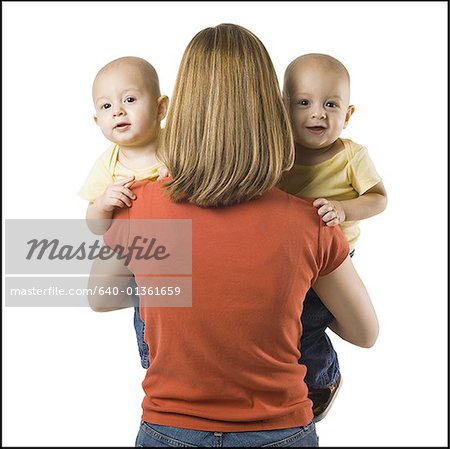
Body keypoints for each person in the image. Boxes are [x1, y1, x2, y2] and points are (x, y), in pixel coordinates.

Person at [88, 24, 379, 447]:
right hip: (281, 431)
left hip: (169, 429)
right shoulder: (312, 222)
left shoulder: (137, 206)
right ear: (274, 111)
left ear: (178, 108)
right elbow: (364, 334)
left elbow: (101, 298)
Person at [280, 53, 387, 421]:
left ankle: (323, 378)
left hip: (331, 262)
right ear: (283, 107)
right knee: (284, 324)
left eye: (330, 104)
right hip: (287, 259)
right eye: (304, 103)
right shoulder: (278, 151)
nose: (318, 114)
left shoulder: (351, 156)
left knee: (307, 322)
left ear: (349, 114)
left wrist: (344, 209)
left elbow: (378, 198)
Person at [79, 56, 169, 369]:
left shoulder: (177, 147)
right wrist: (104, 202)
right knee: (146, 303)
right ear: (97, 121)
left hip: (175, 246)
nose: (117, 110)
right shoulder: (109, 163)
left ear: (161, 109)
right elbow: (94, 224)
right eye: (106, 107)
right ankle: (152, 359)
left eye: (129, 100)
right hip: (131, 252)